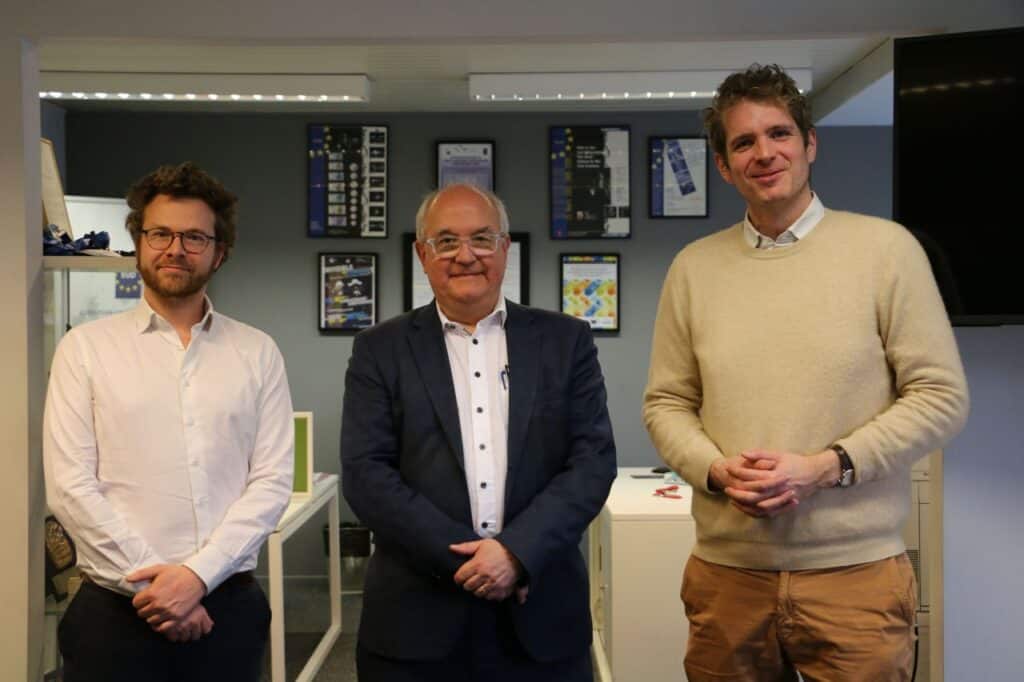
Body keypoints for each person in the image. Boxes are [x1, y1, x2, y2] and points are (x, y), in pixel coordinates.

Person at [643, 64, 969, 681]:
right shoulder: (693, 268)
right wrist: (714, 469)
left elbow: (940, 396)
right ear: (722, 164)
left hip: (857, 579)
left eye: (779, 134)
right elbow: (666, 402)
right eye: (743, 142)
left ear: (809, 144)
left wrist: (826, 467)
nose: (764, 153)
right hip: (727, 577)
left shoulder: (887, 250)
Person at [341, 184, 616, 681]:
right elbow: (366, 474)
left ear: (506, 249)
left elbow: (592, 461)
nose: (465, 255)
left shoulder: (565, 341)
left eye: (482, 239)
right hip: (415, 619)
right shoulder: (378, 349)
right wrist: (471, 562)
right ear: (422, 255)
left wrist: (517, 553)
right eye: (446, 241)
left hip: (541, 616)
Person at [43, 162, 294, 682]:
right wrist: (160, 590)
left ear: (219, 253)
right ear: (139, 241)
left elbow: (271, 483)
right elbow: (70, 486)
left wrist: (196, 578)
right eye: (160, 233)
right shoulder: (84, 350)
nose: (175, 248)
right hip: (113, 616)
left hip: (228, 607)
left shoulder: (257, 352)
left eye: (195, 236)